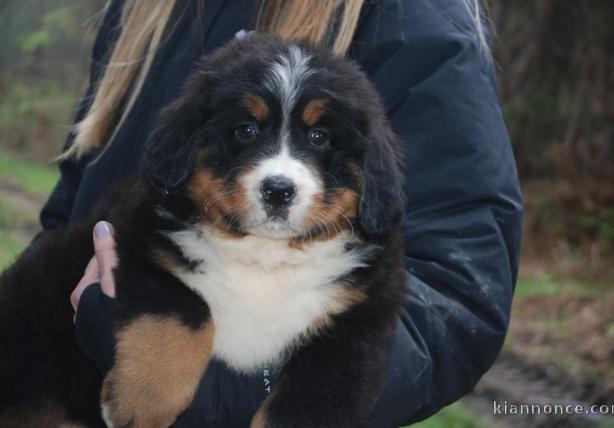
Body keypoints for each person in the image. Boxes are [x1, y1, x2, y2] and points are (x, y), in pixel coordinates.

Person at [40, 0, 522, 426]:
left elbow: (455, 294)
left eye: (318, 139)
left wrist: (231, 397)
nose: (280, 173)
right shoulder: (139, 8)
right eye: (247, 134)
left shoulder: (417, 17)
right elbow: (71, 213)